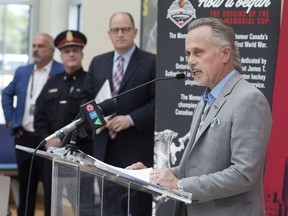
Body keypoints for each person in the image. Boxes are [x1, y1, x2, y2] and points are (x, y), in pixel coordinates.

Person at [127, 17, 273, 216]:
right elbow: (196, 168)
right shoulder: (205, 100)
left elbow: (243, 175)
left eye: (198, 52)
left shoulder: (249, 99)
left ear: (225, 54)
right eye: (188, 54)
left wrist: (179, 185)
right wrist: (153, 176)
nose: (190, 61)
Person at [83, 12, 156, 216]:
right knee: (108, 205)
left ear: (135, 32)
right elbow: (86, 100)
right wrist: (98, 121)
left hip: (136, 147)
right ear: (109, 33)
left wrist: (130, 119)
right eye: (116, 30)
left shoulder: (151, 62)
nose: (121, 34)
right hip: (104, 147)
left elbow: (157, 102)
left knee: (137, 205)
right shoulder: (98, 62)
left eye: (125, 29)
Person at [1, 33, 64, 216]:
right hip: (25, 137)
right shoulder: (23, 71)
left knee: (51, 190)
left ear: (52, 51)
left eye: (41, 46)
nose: (36, 49)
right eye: (34, 45)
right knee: (26, 187)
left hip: (49, 140)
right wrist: (13, 121)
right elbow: (7, 94)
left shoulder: (61, 71)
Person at [34, 30, 95, 216]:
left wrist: (62, 141)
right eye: (66, 50)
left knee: (84, 205)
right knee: (52, 205)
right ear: (60, 55)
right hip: (53, 157)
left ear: (82, 54)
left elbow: (90, 120)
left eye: (75, 50)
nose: (71, 54)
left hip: (81, 156)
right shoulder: (52, 84)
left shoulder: (90, 82)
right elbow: (39, 116)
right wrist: (48, 141)